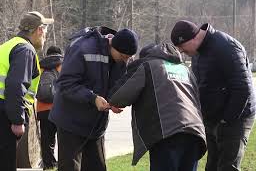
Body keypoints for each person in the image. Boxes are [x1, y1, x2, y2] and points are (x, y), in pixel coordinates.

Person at [48, 27, 138, 171]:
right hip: (70, 122)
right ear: (112, 45)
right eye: (122, 56)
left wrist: (114, 101)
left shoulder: (121, 58)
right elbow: (65, 85)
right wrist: (93, 98)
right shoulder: (82, 48)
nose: (125, 60)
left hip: (96, 126)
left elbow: (115, 84)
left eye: (128, 57)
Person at [170, 20, 256, 171]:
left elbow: (243, 89)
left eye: (182, 48)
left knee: (227, 167)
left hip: (236, 118)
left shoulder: (226, 47)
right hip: (213, 118)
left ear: (192, 39)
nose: (183, 53)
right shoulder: (197, 53)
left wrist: (226, 120)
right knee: (212, 166)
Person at [108, 43, 207, 171]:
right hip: (195, 133)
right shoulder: (185, 70)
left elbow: (118, 96)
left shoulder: (147, 65)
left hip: (167, 133)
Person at [0, 11, 53, 171]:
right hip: (2, 114)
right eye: (45, 29)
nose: (45, 34)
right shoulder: (25, 50)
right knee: (4, 165)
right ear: (39, 30)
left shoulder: (3, 48)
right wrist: (17, 120)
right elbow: (16, 85)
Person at [36, 46, 63, 170]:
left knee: (47, 139)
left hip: (42, 109)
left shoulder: (40, 66)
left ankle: (48, 164)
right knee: (63, 138)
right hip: (60, 108)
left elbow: (34, 86)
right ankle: (63, 163)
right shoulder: (63, 65)